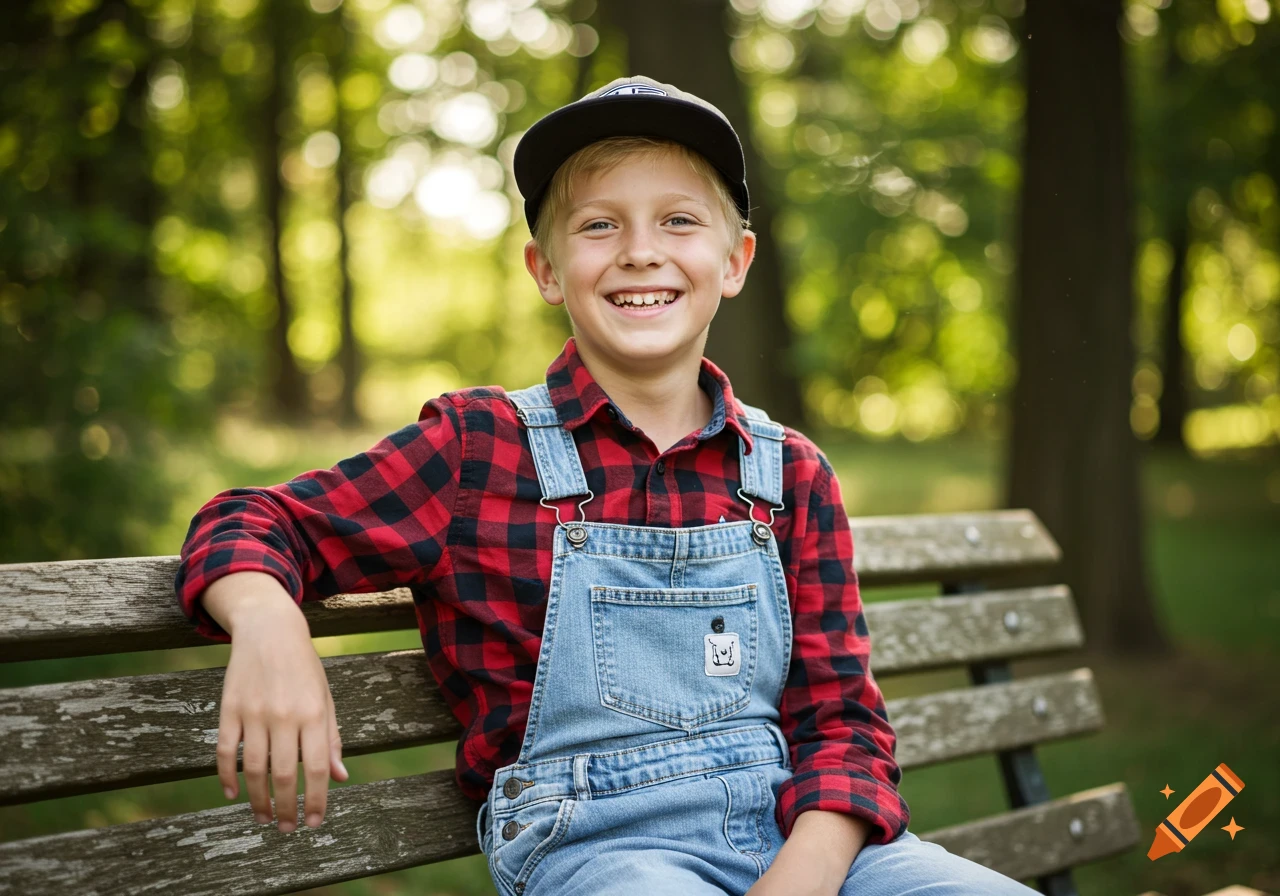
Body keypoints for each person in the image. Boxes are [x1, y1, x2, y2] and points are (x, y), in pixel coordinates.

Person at [175, 75, 1038, 896]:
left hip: (811, 849)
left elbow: (844, 727)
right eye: (597, 226)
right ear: (546, 271)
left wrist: (800, 878)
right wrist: (265, 619)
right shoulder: (480, 451)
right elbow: (255, 519)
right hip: (602, 851)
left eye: (677, 220)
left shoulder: (790, 474)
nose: (639, 252)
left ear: (734, 260)